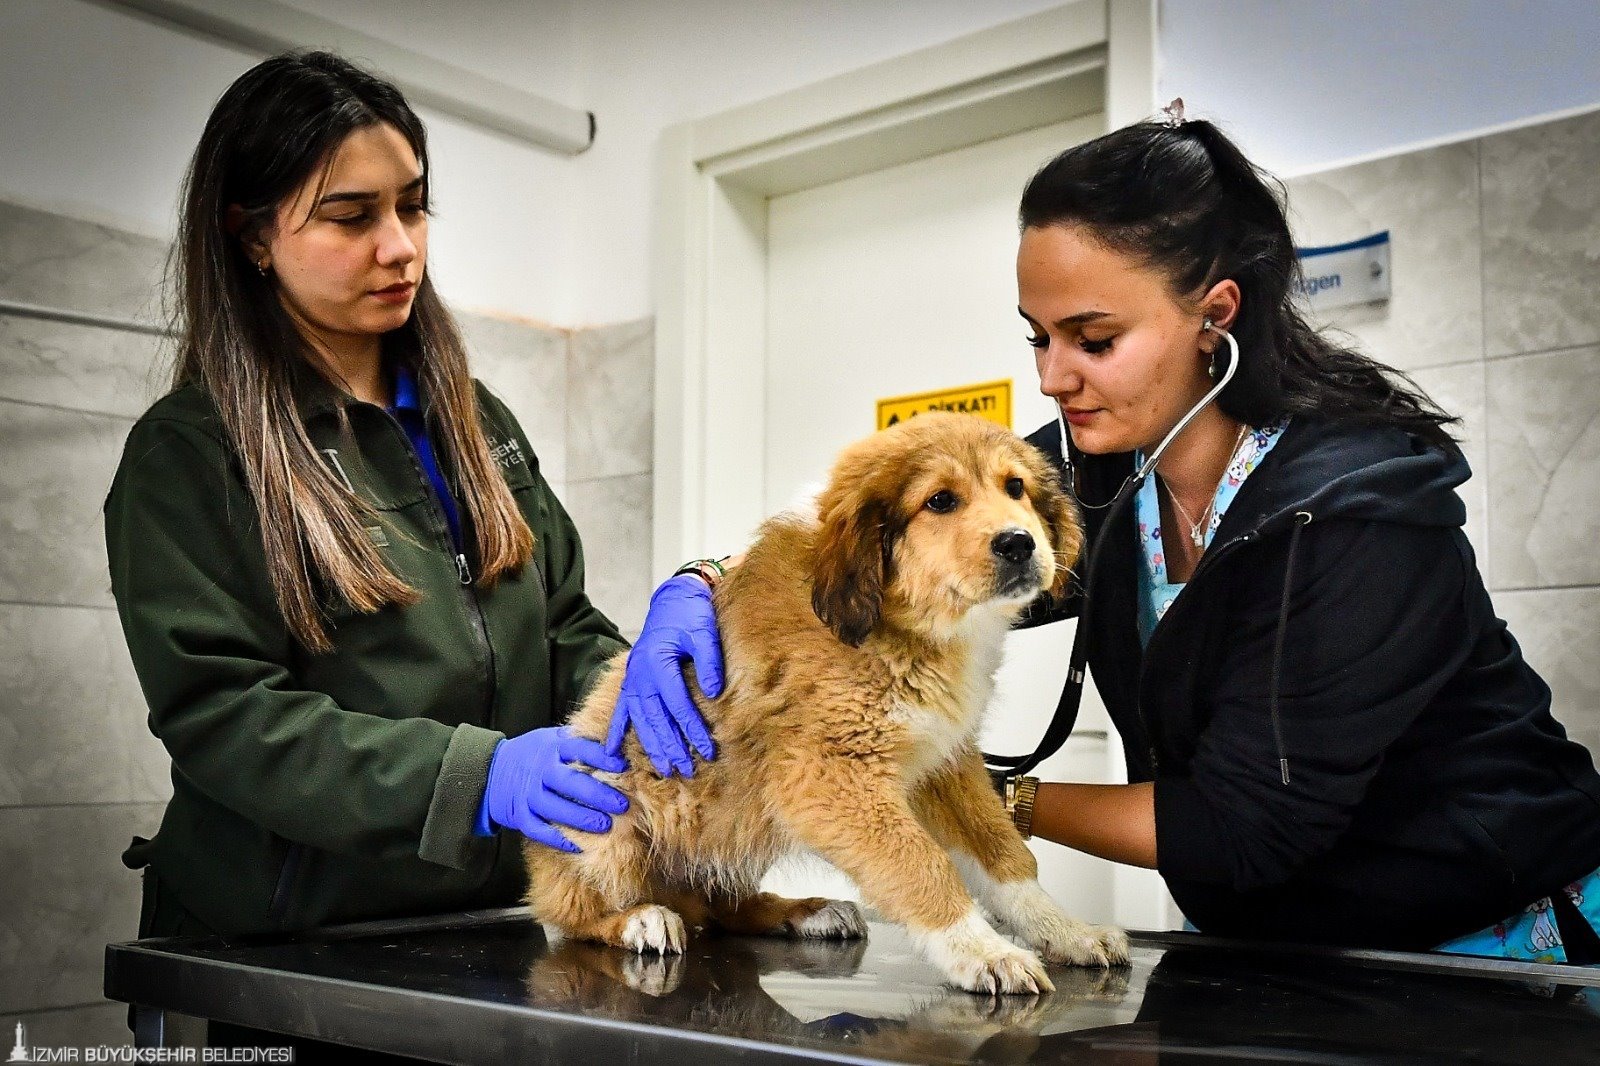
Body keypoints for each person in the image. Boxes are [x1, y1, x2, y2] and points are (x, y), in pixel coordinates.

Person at [666, 107, 1600, 965]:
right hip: (1263, 938)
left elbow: (1246, 826)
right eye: (1038, 338)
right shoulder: (1093, 470)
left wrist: (976, 796)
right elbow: (869, 526)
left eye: (1094, 339)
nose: (1052, 378)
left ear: (1215, 317)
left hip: (1486, 938)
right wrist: (706, 581)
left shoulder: (1360, 515)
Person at [104, 51, 720, 1048]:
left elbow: (558, 625)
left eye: (415, 207)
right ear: (253, 234)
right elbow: (224, 717)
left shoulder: (479, 425)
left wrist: (638, 683)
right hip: (278, 952)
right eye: (352, 217)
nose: (401, 249)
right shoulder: (193, 455)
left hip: (475, 931)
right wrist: (475, 779)